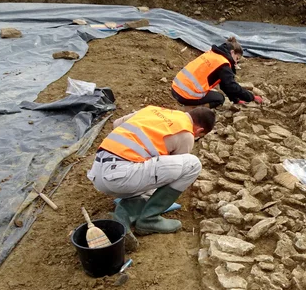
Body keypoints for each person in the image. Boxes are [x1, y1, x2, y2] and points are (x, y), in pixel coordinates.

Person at [86, 105, 216, 251]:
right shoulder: (186, 133)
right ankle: (149, 218)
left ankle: (124, 214)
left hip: (99, 175)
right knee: (193, 164)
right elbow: (173, 175)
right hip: (122, 177)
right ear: (199, 131)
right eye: (199, 136)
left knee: (152, 176)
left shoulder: (153, 110)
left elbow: (116, 124)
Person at [171, 36, 263, 109]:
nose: (235, 63)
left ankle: (188, 105)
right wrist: (252, 97)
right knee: (219, 99)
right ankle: (190, 110)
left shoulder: (212, 54)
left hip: (175, 88)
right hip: (186, 95)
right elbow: (231, 86)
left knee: (214, 93)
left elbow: (225, 85)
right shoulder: (223, 64)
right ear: (232, 52)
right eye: (237, 58)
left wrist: (236, 100)